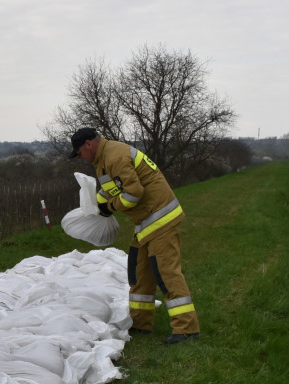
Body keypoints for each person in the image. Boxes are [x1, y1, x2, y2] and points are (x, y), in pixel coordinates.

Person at [70, 127, 200, 344]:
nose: (80, 157)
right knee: (139, 273)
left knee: (166, 274)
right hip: (146, 221)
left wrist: (110, 207)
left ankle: (186, 330)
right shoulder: (103, 159)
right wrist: (97, 204)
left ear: (89, 144)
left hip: (160, 218)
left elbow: (133, 193)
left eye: (80, 152)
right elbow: (112, 188)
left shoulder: (114, 156)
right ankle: (141, 324)